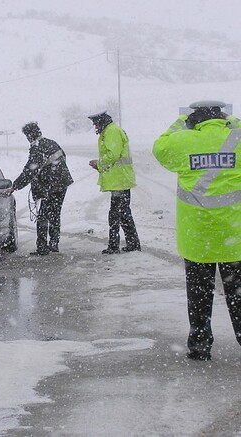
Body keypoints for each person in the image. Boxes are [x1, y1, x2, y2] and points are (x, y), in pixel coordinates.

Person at [153, 100, 241, 361]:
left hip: (197, 238)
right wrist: (232, 121)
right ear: (222, 117)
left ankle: (200, 346)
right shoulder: (236, 137)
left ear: (194, 119)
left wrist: (180, 122)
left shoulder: (183, 142)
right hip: (234, 236)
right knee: (237, 297)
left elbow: (159, 146)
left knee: (199, 296)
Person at [11, 121, 73, 256]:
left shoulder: (37, 147)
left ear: (29, 136)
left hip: (51, 186)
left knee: (43, 216)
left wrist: (15, 186)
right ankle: (54, 243)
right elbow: (62, 158)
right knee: (55, 214)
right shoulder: (51, 142)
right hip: (61, 183)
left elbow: (30, 170)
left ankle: (42, 247)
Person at [88, 111, 141, 254]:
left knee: (115, 214)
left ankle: (114, 246)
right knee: (123, 213)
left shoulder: (112, 131)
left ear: (102, 122)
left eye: (96, 123)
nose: (95, 127)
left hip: (120, 180)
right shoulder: (110, 131)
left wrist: (99, 164)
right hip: (120, 180)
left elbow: (113, 154)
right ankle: (132, 244)